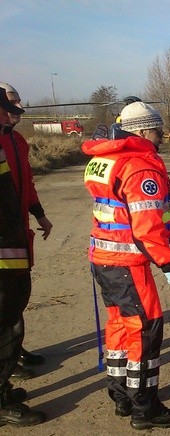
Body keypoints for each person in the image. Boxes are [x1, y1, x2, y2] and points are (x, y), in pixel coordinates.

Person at [83, 101, 170, 430]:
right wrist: (167, 263)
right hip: (128, 262)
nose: (161, 136)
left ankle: (121, 396)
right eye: (157, 130)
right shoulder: (141, 166)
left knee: (118, 326)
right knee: (145, 329)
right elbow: (147, 226)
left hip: (104, 258)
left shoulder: (106, 158)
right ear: (141, 131)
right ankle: (145, 406)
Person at [0, 82, 53, 381]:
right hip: (4, 234)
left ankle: (15, 349)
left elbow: (28, 183)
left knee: (17, 295)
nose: (18, 107)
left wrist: (40, 214)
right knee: (5, 296)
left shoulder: (19, 142)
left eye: (18, 101)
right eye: (11, 102)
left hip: (18, 232)